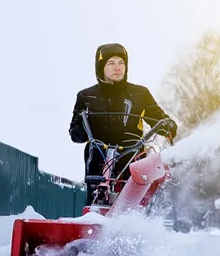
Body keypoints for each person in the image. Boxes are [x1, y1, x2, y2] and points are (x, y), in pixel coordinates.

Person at [68, 43, 177, 205]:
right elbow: (76, 135)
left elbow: (157, 118)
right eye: (111, 63)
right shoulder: (86, 96)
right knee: (96, 185)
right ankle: (95, 210)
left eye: (121, 63)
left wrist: (168, 125)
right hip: (100, 151)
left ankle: (137, 214)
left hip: (132, 151)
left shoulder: (140, 94)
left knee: (137, 197)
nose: (117, 67)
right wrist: (83, 125)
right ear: (101, 67)